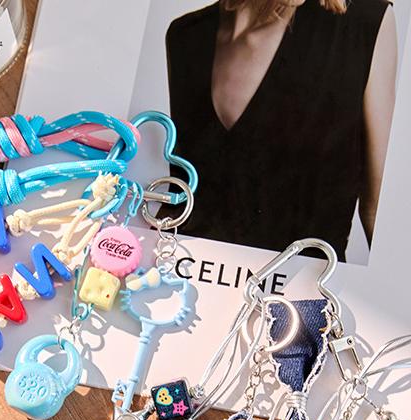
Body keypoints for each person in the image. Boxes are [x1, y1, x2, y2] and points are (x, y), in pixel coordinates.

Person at [166, 0, 397, 260]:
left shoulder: (364, 24)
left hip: (309, 285)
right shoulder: (185, 35)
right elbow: (183, 197)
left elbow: (376, 209)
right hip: (191, 276)